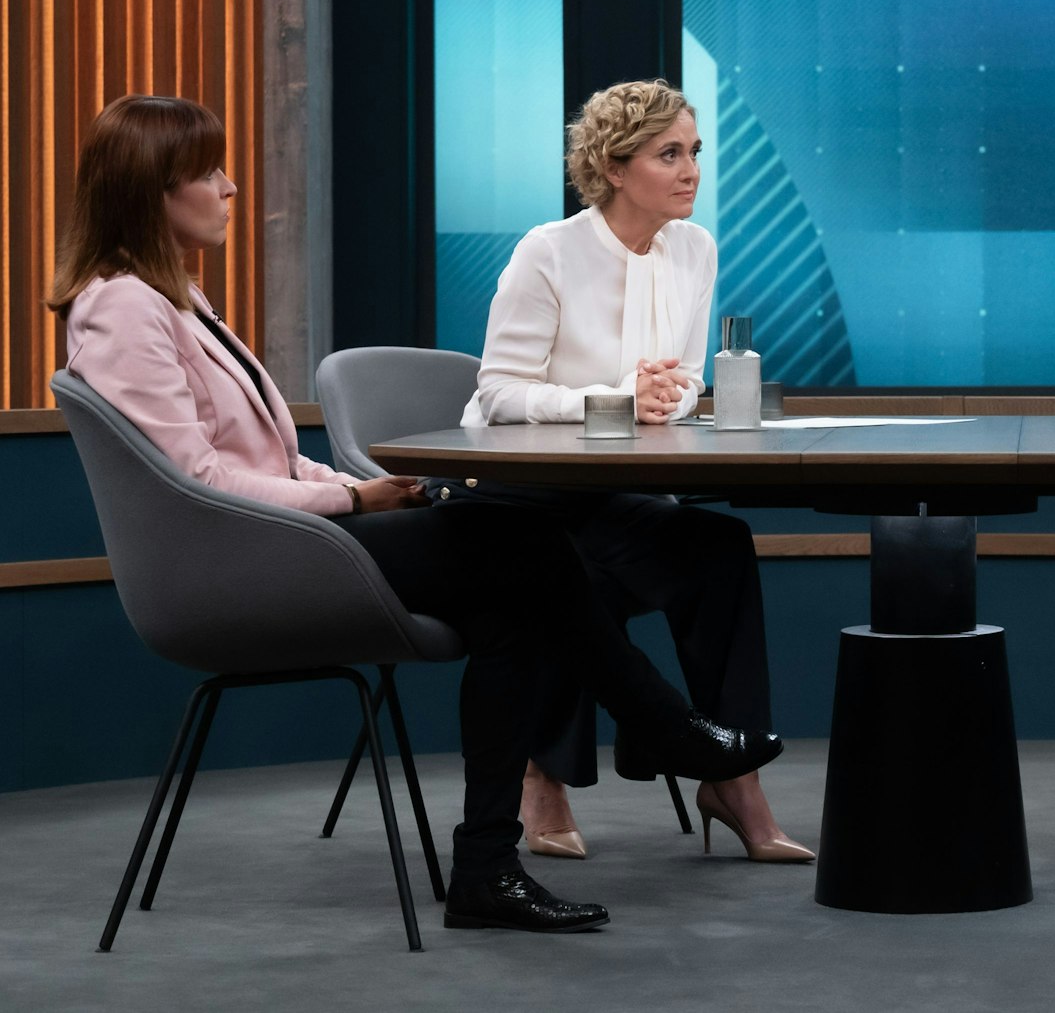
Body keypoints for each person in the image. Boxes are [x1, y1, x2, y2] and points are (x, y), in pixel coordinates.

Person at [50, 94, 783, 933]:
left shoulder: (173, 296)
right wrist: (351, 495)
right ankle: (672, 732)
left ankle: (487, 869)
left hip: (289, 530)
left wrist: (356, 486)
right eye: (208, 173)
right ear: (151, 191)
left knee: (518, 596)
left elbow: (269, 461)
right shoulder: (121, 307)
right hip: (239, 564)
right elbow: (196, 480)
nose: (230, 188)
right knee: (530, 547)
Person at [438, 78, 811, 863]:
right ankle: (545, 771)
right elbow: (498, 394)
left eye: (694, 152)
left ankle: (732, 776)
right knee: (568, 574)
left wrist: (668, 400)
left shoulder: (695, 248)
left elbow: (677, 389)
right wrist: (616, 399)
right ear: (613, 166)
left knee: (718, 551)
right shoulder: (549, 251)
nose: (690, 170)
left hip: (611, 491)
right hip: (516, 497)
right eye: (667, 154)